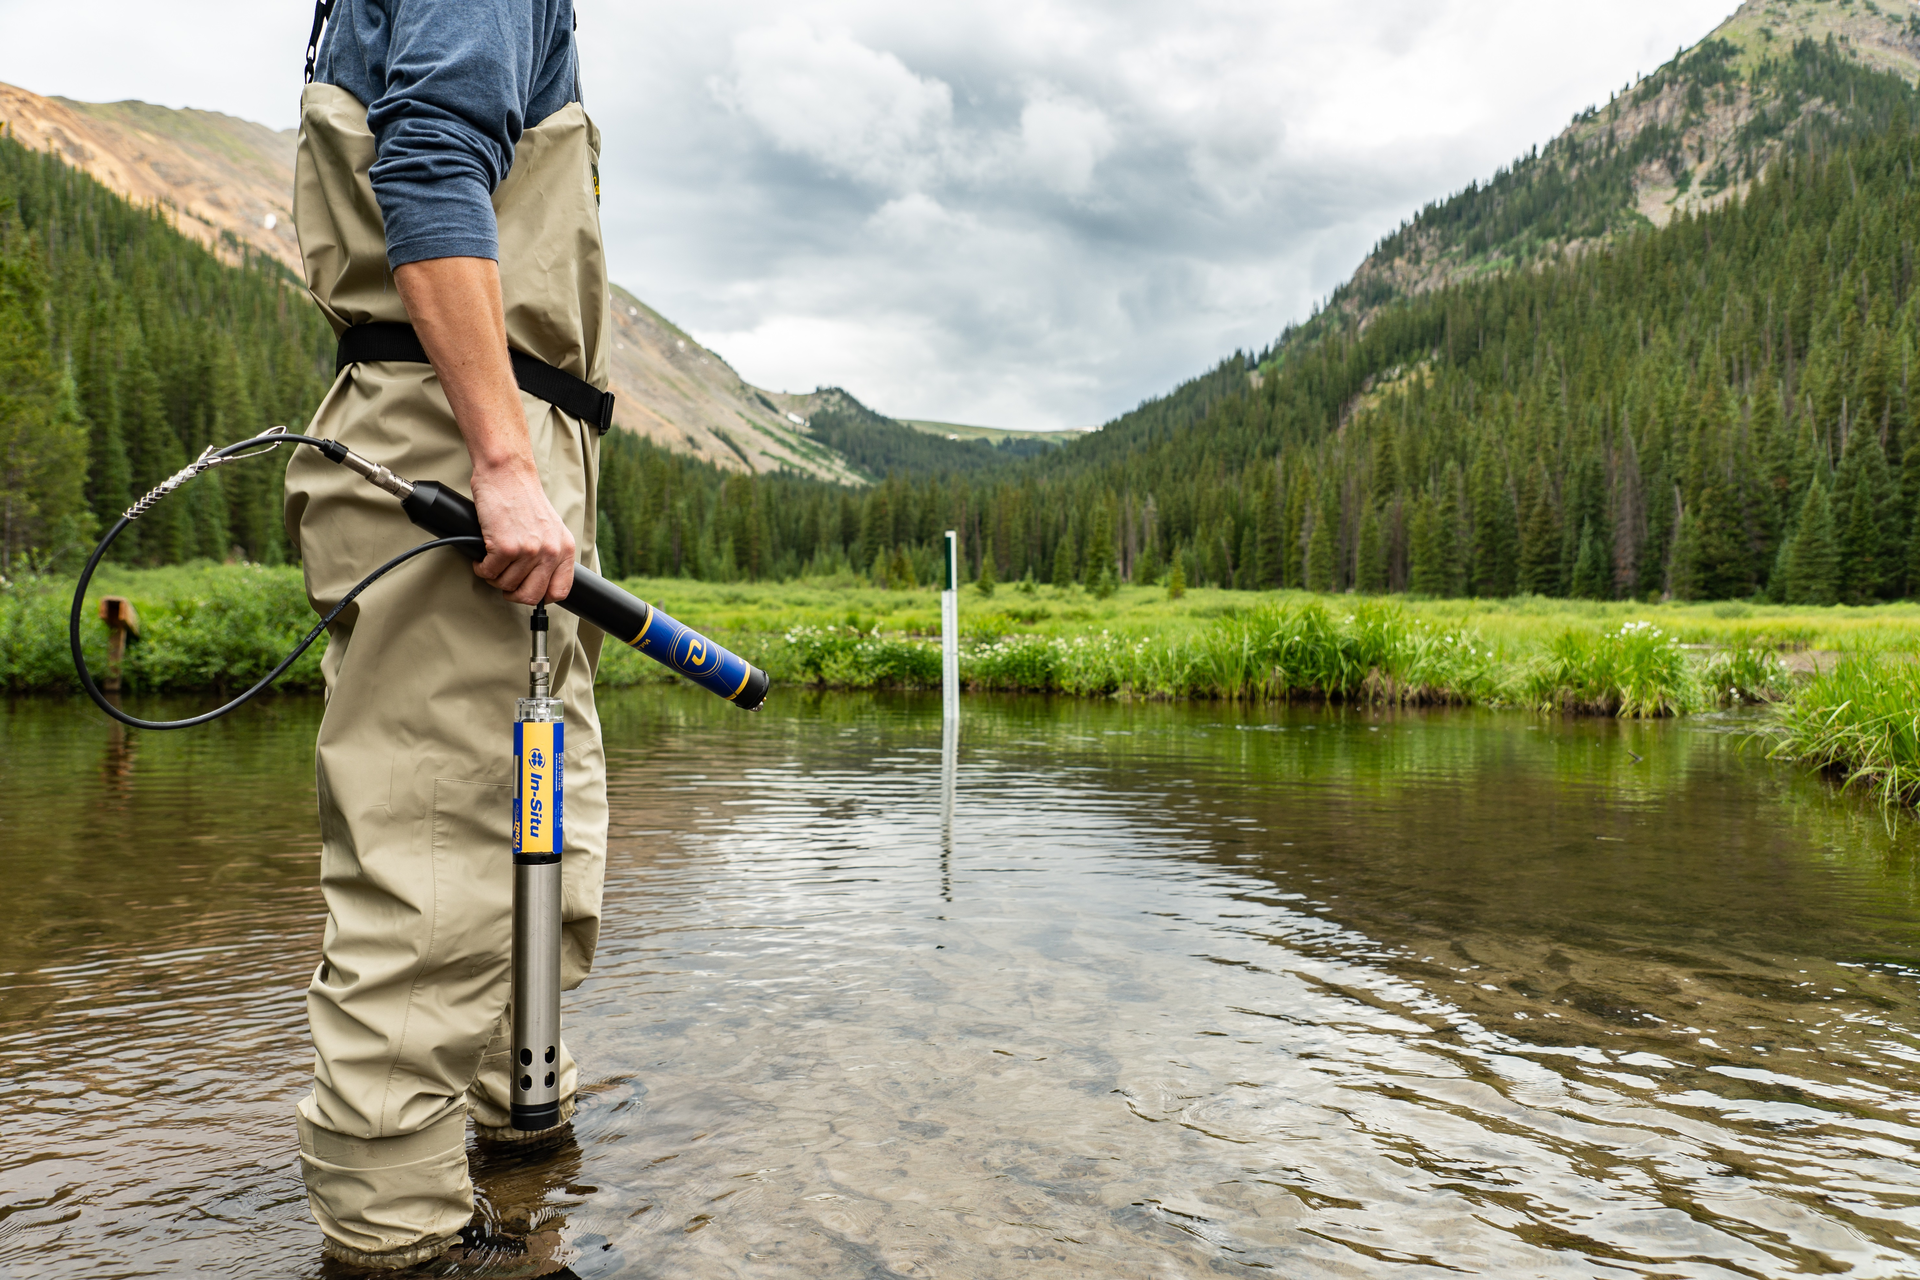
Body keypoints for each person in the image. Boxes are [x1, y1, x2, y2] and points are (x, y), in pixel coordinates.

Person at [281, 0, 613, 1268]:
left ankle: (518, 1161)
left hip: (501, 458)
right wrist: (500, 457)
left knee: (536, 842)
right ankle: (398, 1240)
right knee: (436, 862)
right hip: (470, 456)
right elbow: (427, 169)